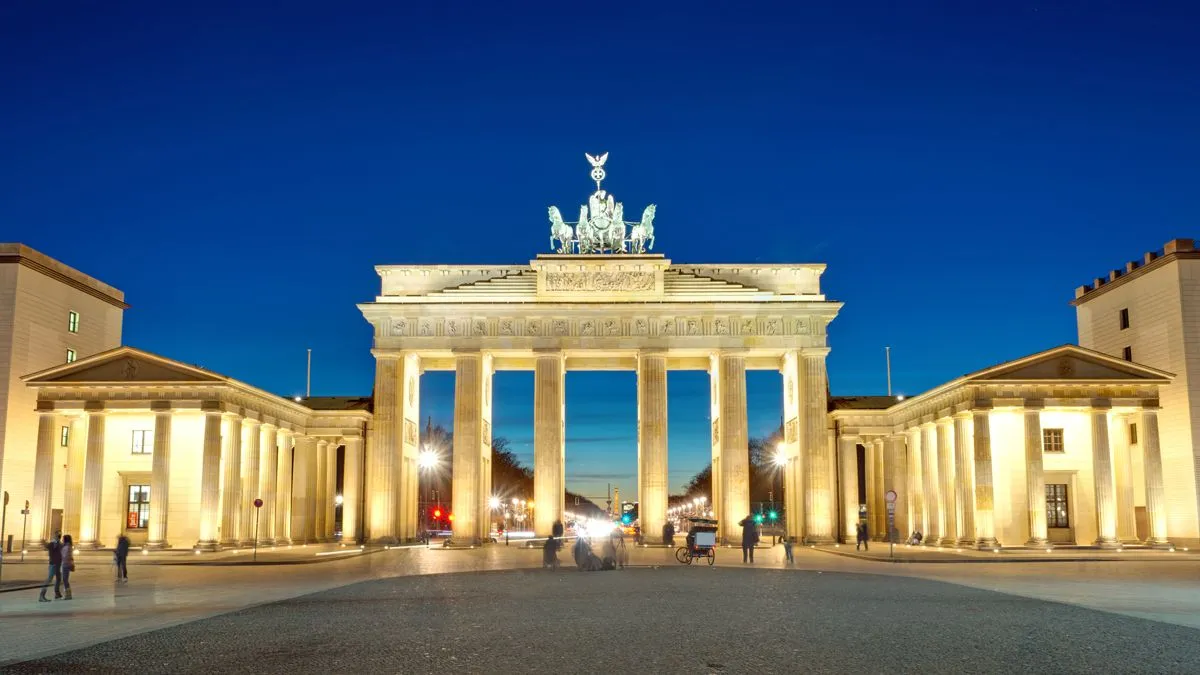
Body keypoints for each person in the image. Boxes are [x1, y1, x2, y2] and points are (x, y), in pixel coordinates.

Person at [37, 531, 64, 603]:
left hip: (58, 564)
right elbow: (48, 546)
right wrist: (45, 542)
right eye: (57, 535)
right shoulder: (53, 544)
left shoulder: (59, 544)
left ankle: (57, 593)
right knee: (49, 579)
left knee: (59, 579)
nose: (59, 536)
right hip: (53, 564)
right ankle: (42, 596)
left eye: (59, 535)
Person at [60, 534, 75, 600]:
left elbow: (65, 556)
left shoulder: (67, 547)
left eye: (63, 539)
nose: (62, 540)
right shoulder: (68, 546)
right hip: (66, 563)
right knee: (65, 579)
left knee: (65, 579)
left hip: (65, 564)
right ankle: (68, 594)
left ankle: (68, 595)